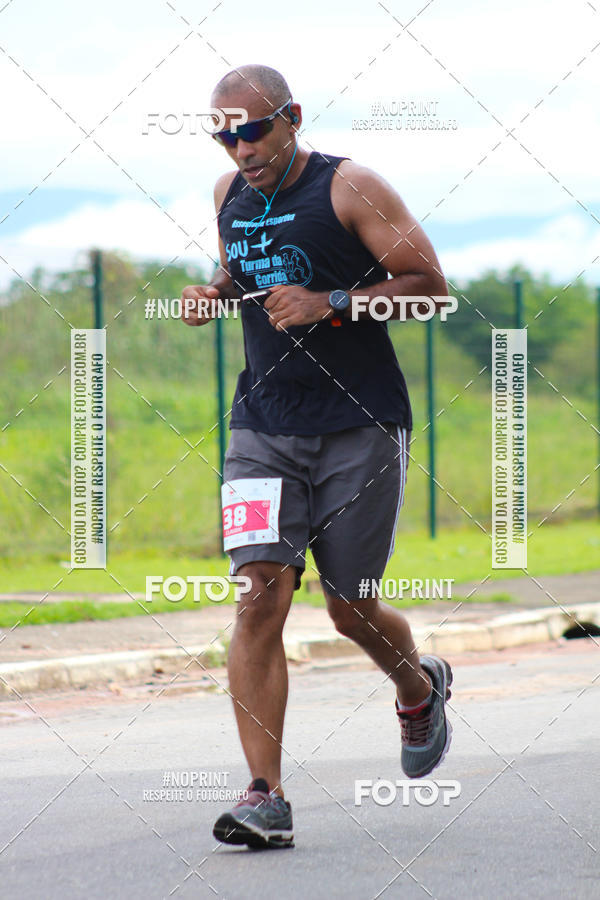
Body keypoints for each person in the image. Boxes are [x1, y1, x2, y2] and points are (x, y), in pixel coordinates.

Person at [182, 64, 453, 850]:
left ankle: (416, 685)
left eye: (253, 129)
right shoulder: (227, 198)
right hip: (262, 425)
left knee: (349, 605)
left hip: (358, 425)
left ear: (291, 118)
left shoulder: (352, 188)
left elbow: (431, 287)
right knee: (260, 593)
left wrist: (333, 302)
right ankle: (265, 795)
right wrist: (215, 293)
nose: (239, 148)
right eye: (224, 134)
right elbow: (250, 271)